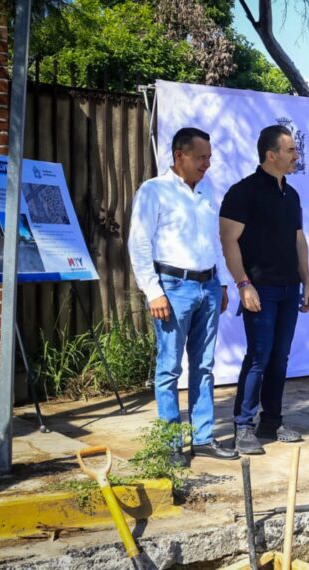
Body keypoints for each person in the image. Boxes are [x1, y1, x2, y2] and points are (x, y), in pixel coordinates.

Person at [127, 127, 238, 466]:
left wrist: (220, 283)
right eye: (202, 157)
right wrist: (153, 291)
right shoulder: (155, 191)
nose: (208, 163)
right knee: (169, 368)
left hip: (207, 285)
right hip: (173, 288)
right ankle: (171, 443)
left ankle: (202, 438)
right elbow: (139, 242)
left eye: (209, 156)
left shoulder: (206, 191)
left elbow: (214, 240)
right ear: (180, 156)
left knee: (204, 366)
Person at [220, 125, 309, 455]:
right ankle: (243, 426)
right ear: (271, 154)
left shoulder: (292, 194)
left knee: (280, 357)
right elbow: (228, 240)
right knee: (259, 357)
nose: (296, 155)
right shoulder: (243, 192)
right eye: (291, 150)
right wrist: (243, 284)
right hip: (259, 288)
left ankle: (271, 422)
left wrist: (308, 282)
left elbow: (298, 240)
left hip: (289, 288)